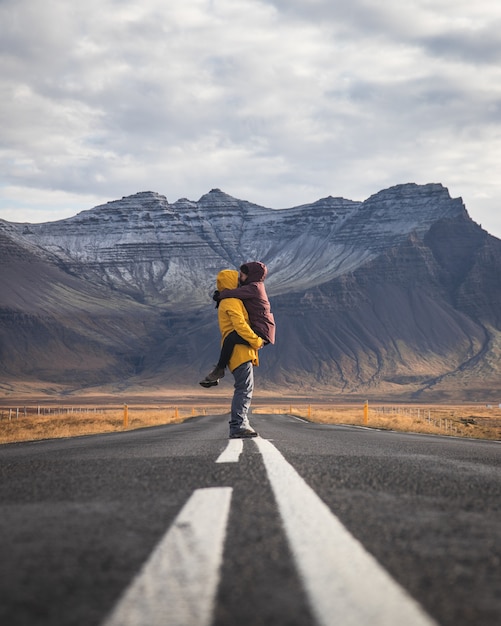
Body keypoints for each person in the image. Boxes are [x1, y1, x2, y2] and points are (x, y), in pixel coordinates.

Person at [202, 269, 263, 438]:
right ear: (231, 282)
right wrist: (256, 340)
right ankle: (238, 425)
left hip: (236, 351)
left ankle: (241, 423)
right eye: (236, 280)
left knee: (243, 387)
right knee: (244, 388)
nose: (239, 283)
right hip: (240, 351)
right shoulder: (231, 301)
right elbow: (240, 326)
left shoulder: (225, 301)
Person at [199, 261, 275, 387]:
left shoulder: (255, 287)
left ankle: (219, 369)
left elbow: (233, 292)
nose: (240, 278)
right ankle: (219, 369)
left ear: (252, 275)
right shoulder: (253, 287)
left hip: (262, 330)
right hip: (262, 327)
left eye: (243, 275)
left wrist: (220, 295)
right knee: (230, 339)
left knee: (230, 338)